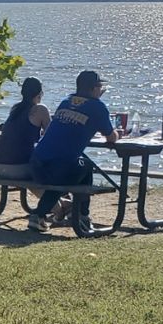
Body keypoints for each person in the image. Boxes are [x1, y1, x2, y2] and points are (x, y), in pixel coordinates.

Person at [27, 70, 118, 233]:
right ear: (94, 89)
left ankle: (43, 215)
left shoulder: (66, 101)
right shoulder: (97, 107)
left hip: (36, 163)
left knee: (69, 170)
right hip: (57, 167)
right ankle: (81, 216)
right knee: (84, 168)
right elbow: (111, 138)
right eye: (99, 86)